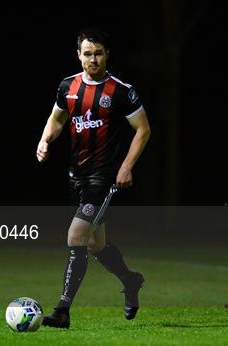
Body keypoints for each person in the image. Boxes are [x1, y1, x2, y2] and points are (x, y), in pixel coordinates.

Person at [35, 28, 151, 329]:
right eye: (87, 53)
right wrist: (45, 140)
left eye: (98, 53)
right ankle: (130, 280)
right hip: (77, 176)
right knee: (95, 246)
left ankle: (62, 310)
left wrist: (126, 166)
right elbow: (56, 119)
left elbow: (143, 129)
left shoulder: (121, 91)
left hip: (104, 179)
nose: (93, 59)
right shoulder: (67, 86)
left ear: (107, 55)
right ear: (79, 55)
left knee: (76, 236)